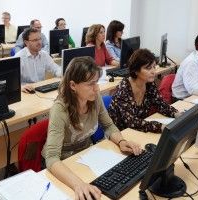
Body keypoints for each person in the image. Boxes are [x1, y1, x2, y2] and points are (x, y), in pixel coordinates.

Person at [42, 56, 142, 200]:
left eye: (97, 82)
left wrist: (121, 141)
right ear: (73, 85)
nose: (96, 88)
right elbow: (52, 157)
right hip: (63, 163)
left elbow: (108, 126)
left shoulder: (94, 98)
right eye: (90, 84)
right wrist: (78, 185)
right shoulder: (60, 110)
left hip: (86, 156)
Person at [108, 49, 179, 133]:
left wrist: (176, 114)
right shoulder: (124, 89)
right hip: (120, 134)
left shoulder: (149, 83)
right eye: (148, 68)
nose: (153, 71)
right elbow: (131, 122)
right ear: (136, 71)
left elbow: (160, 104)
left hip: (138, 130)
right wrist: (160, 127)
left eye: (154, 66)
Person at [14, 28, 62, 93]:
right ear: (26, 42)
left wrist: (63, 74)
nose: (39, 42)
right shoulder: (19, 58)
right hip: (26, 92)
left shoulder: (44, 54)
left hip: (40, 90)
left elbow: (55, 68)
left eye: (40, 39)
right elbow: (12, 82)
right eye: (35, 40)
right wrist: (21, 87)